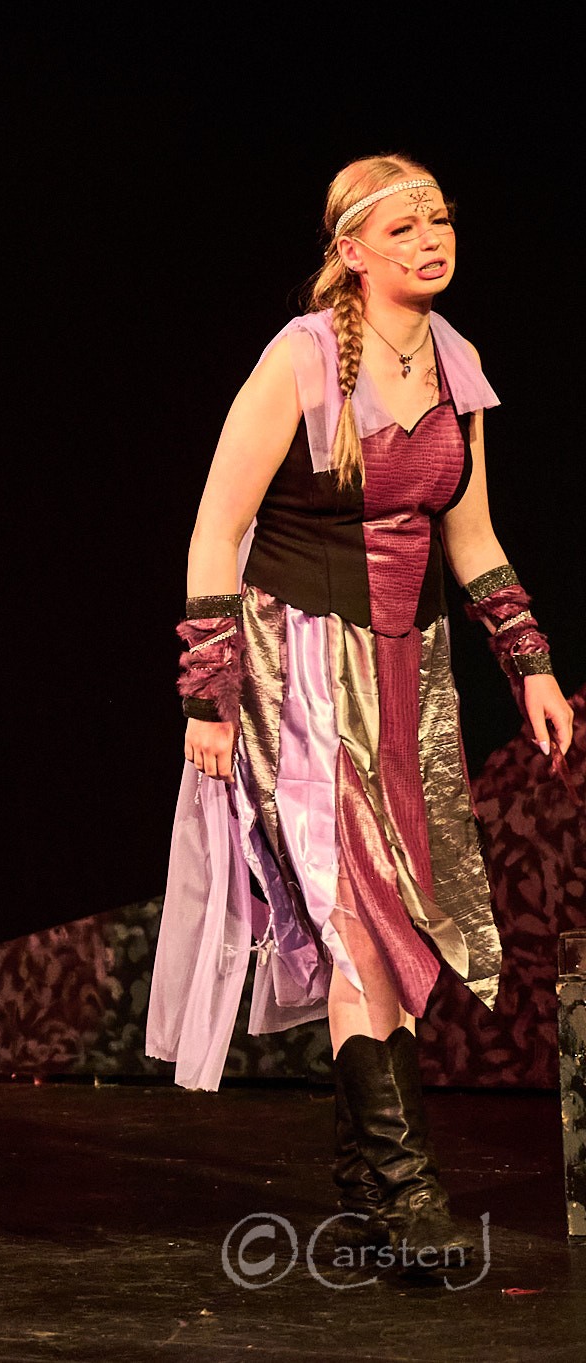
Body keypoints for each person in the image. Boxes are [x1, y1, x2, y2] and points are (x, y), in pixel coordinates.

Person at [149, 154, 573, 1265]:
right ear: (350, 253)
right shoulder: (297, 357)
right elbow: (214, 528)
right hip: (296, 666)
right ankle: (407, 1194)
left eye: (439, 220)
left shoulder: (452, 359)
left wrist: (528, 662)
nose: (431, 240)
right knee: (356, 919)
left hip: (407, 674)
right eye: (404, 229)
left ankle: (364, 1177)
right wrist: (208, 694)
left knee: (397, 915)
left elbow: (470, 534)